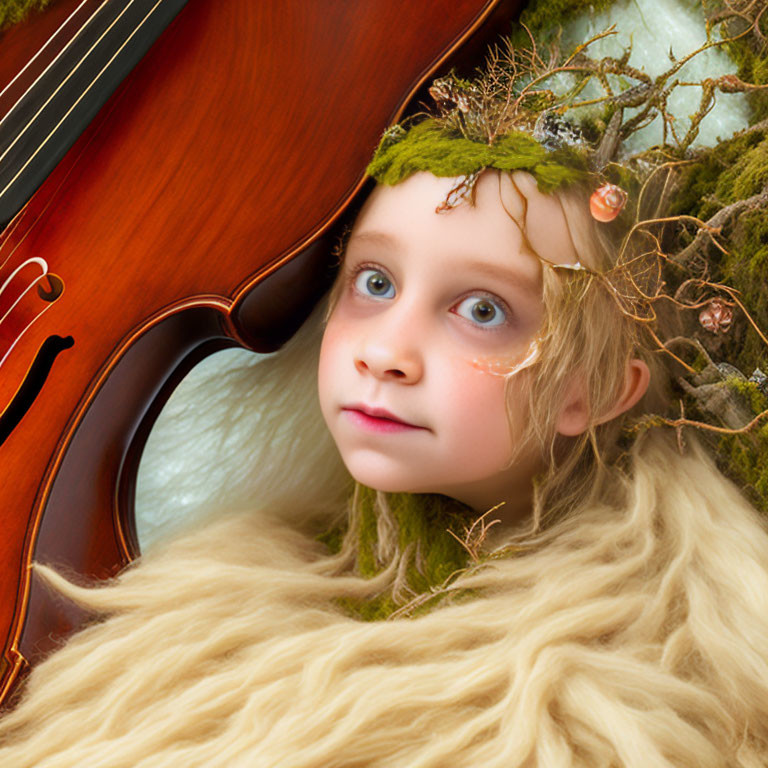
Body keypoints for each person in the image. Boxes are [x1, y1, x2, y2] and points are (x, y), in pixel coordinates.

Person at [2, 27, 768, 768]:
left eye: (482, 311)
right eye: (375, 283)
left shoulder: (642, 663)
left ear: (595, 390)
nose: (385, 353)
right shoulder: (242, 573)